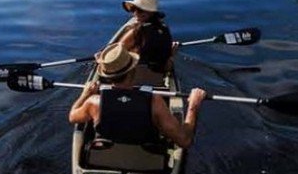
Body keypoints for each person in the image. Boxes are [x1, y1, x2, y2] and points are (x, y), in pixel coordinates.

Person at [69, 43, 205, 149]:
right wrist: (194, 105)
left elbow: (72, 117)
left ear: (107, 77)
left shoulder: (93, 102)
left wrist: (85, 93)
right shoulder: (154, 101)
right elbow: (185, 141)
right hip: (148, 163)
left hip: (104, 159)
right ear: (133, 71)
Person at [117, 0, 176, 85]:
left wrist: (100, 56)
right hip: (158, 78)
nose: (135, 13)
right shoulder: (164, 28)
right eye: (133, 9)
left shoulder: (136, 32)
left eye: (140, 10)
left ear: (151, 13)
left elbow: (116, 51)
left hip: (136, 78)